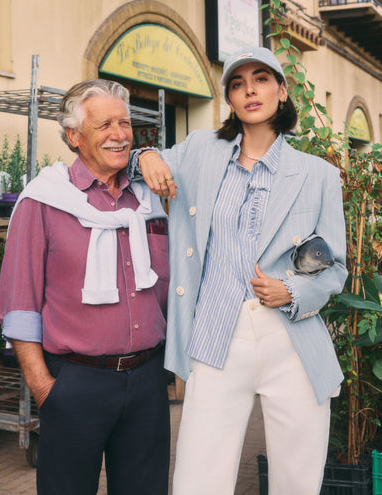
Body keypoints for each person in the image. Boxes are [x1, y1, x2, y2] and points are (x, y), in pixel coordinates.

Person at [130, 47, 348, 494]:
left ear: (282, 91)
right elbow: (141, 167)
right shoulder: (200, 152)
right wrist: (146, 154)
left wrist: (291, 290)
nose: (249, 89)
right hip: (215, 331)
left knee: (297, 479)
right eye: (237, 82)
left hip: (292, 338)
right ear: (229, 98)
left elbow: (335, 269)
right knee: (197, 477)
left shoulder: (318, 175)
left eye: (262, 78)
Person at [0, 79, 170, 495]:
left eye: (125, 123)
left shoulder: (151, 200)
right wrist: (44, 388)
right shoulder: (43, 201)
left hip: (147, 382)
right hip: (75, 383)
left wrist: (149, 154)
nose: (119, 133)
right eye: (104, 124)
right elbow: (19, 304)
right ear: (74, 136)